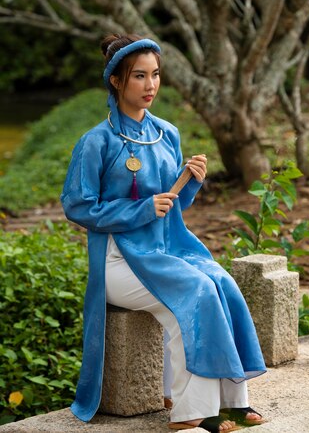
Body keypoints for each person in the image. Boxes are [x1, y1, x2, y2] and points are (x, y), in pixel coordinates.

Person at [61, 34, 266, 432]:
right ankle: (194, 411)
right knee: (195, 291)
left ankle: (232, 401)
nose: (150, 85)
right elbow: (78, 207)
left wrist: (190, 183)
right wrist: (140, 208)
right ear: (117, 81)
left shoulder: (167, 133)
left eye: (155, 75)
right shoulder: (96, 142)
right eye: (139, 76)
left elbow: (172, 205)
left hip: (166, 249)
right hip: (118, 259)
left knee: (221, 282)